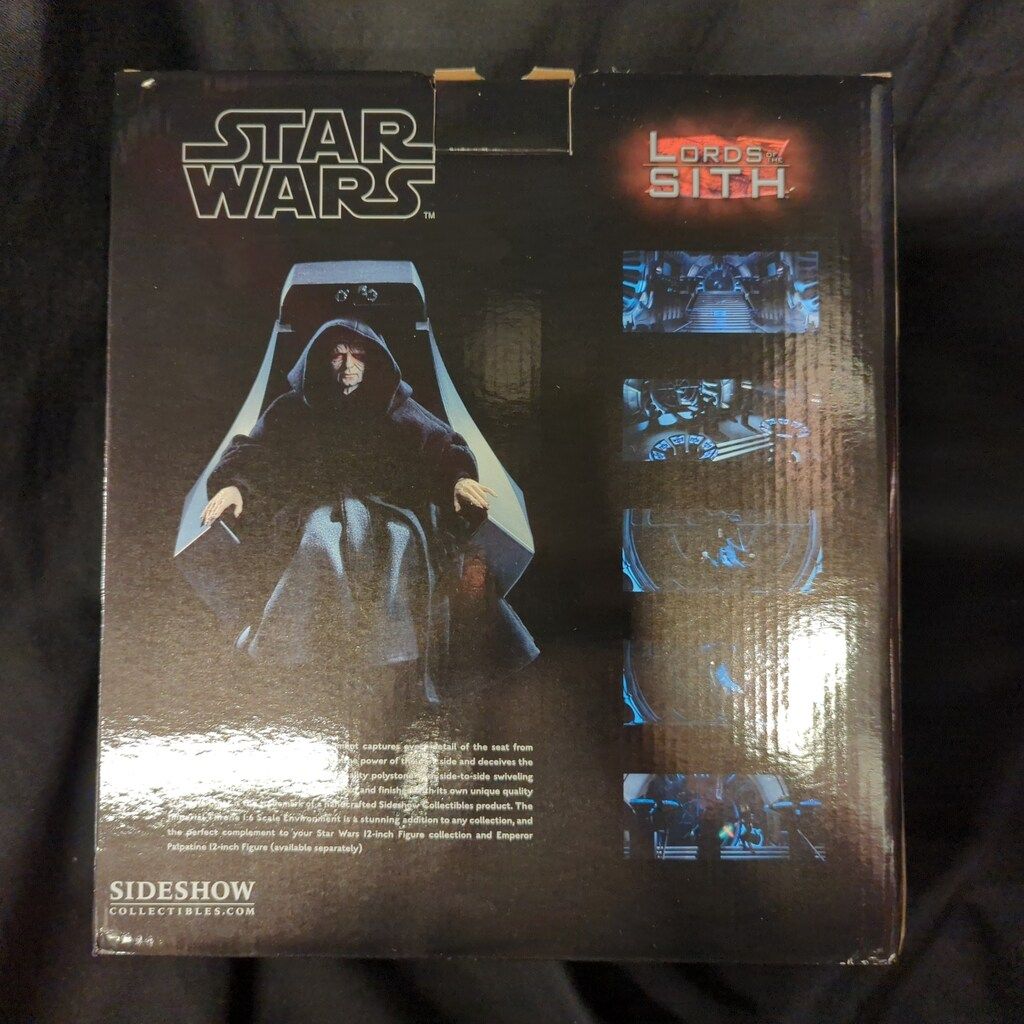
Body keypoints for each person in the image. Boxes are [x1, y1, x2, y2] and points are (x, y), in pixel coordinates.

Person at [200, 317, 538, 704]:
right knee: (318, 539)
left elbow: (443, 448)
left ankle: (393, 658)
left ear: (373, 360)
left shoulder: (396, 407)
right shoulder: (292, 408)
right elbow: (254, 452)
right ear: (321, 360)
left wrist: (458, 481)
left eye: (358, 354)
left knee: (399, 542)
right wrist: (234, 486)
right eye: (337, 355)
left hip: (390, 513)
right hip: (315, 511)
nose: (348, 365)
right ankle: (298, 657)